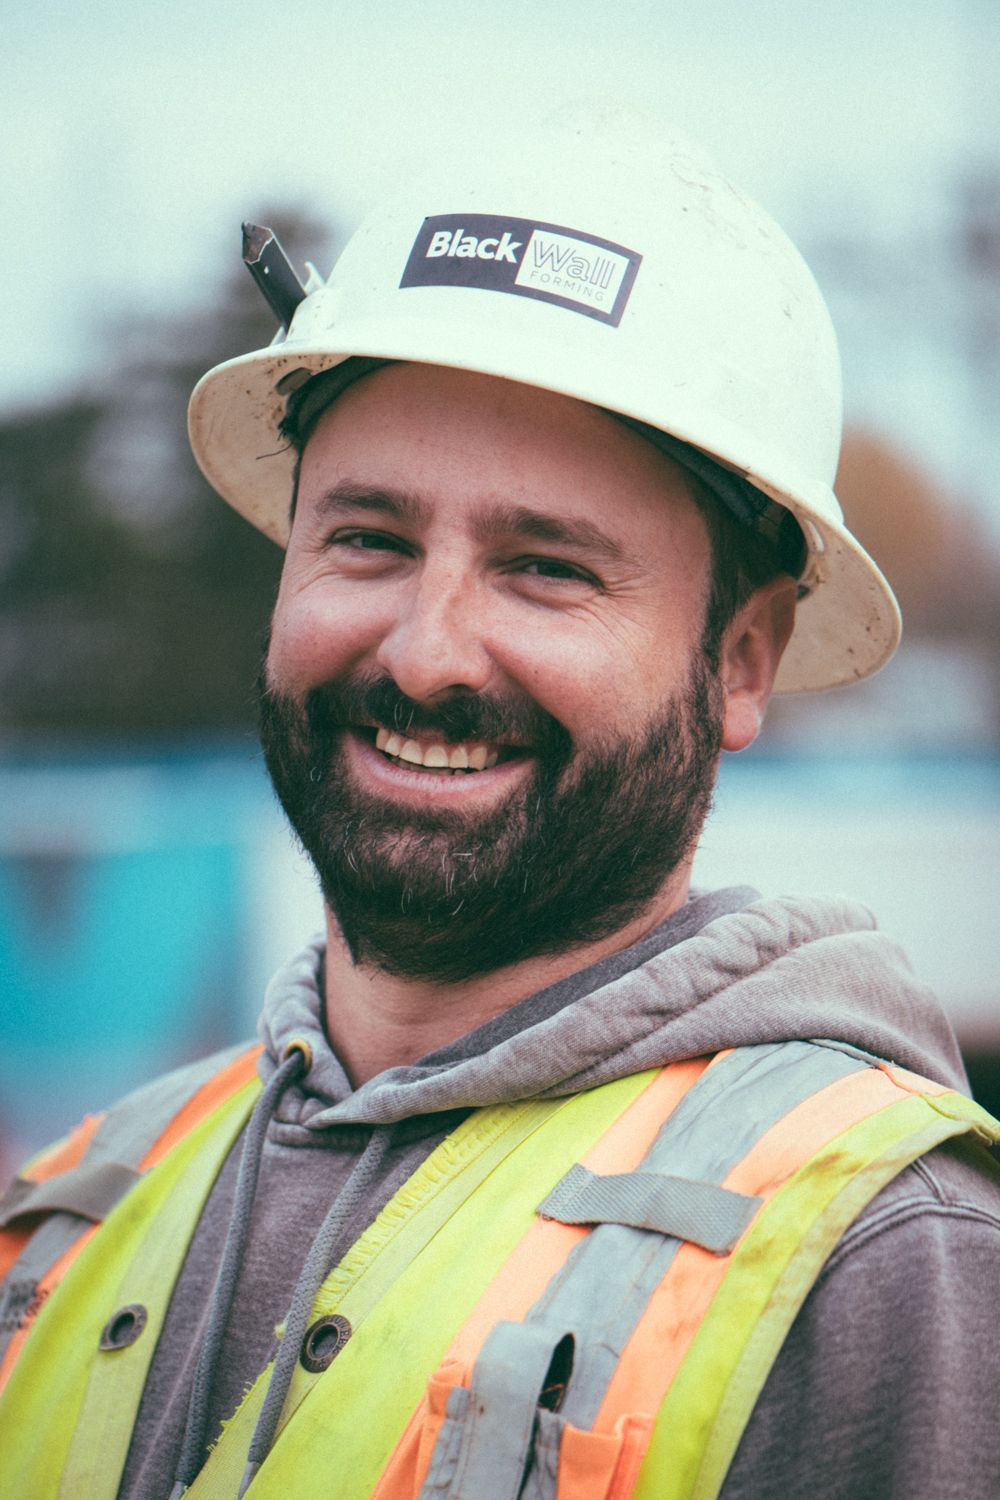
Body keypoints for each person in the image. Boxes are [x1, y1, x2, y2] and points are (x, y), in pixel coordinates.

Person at [2, 104, 999, 1500]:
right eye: (368, 539)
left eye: (546, 568)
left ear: (744, 659)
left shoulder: (883, 1267)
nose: (423, 650)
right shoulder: (68, 1217)